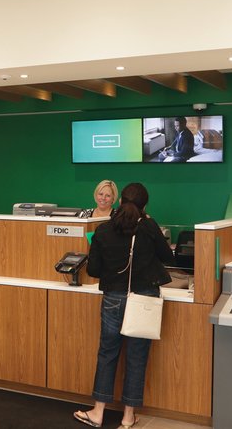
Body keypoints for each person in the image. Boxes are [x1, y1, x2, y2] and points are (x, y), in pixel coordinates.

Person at [73, 183, 173, 428]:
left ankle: (98, 412)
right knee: (137, 357)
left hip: (113, 297)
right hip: (144, 299)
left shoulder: (104, 229)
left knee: (107, 354)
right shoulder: (149, 227)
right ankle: (128, 418)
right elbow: (167, 256)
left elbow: (94, 269)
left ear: (119, 202)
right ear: (144, 206)